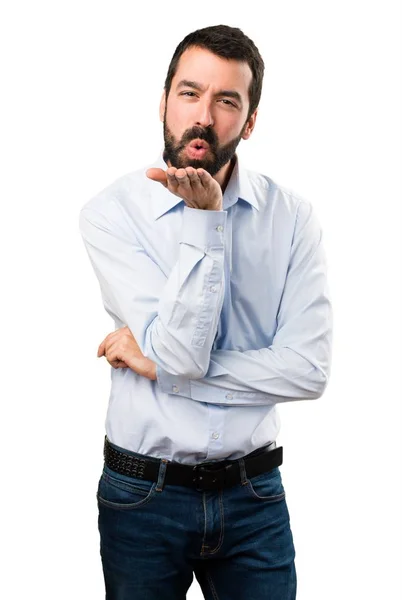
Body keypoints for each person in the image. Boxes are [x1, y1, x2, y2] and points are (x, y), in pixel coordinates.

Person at [79, 23, 332, 600]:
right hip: (143, 494)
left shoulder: (291, 219)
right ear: (164, 101)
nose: (203, 116)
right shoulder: (110, 214)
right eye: (189, 93)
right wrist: (205, 221)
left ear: (249, 121)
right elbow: (182, 354)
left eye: (226, 101)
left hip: (255, 495)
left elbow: (309, 371)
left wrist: (160, 367)